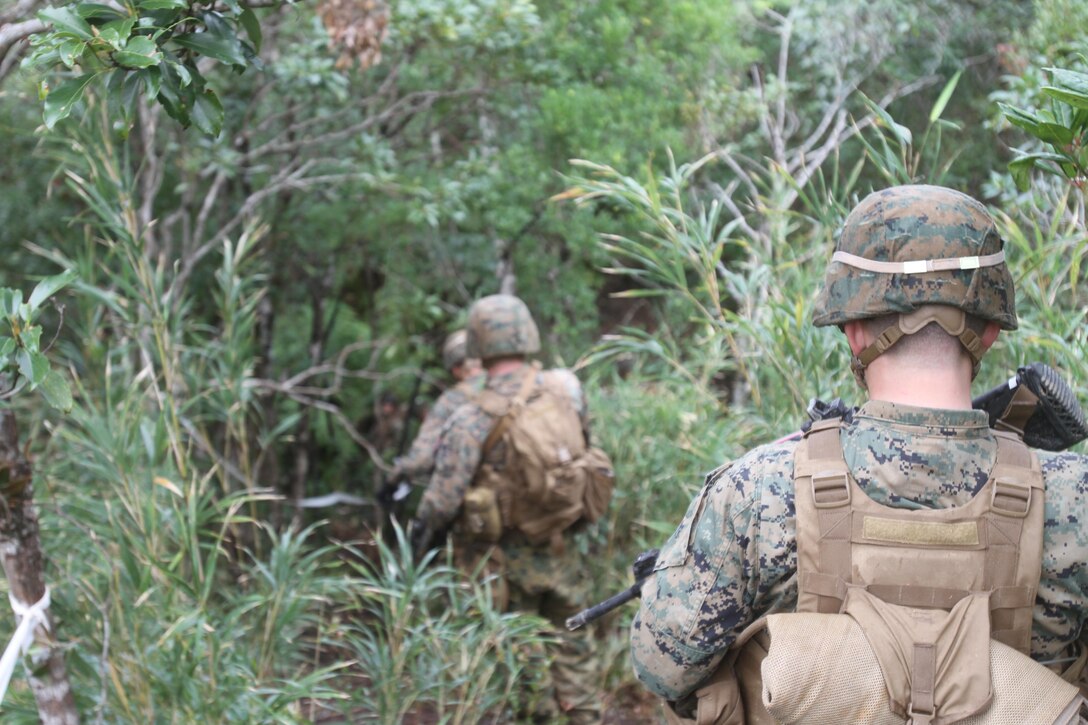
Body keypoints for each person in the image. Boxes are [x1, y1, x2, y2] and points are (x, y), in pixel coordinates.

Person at [630, 185, 1088, 721]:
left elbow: (664, 668)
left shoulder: (759, 491)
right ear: (988, 332)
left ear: (852, 332)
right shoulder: (1073, 499)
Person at [413, 294, 606, 724]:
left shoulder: (470, 416)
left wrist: (419, 536)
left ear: (479, 343)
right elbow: (587, 454)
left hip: (500, 565)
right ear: (527, 334)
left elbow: (442, 500)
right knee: (574, 650)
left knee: (520, 664)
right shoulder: (565, 393)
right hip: (560, 550)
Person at [389, 329, 485, 483]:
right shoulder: (513, 387)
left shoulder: (453, 400)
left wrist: (397, 475)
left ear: (455, 368)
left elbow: (421, 459)